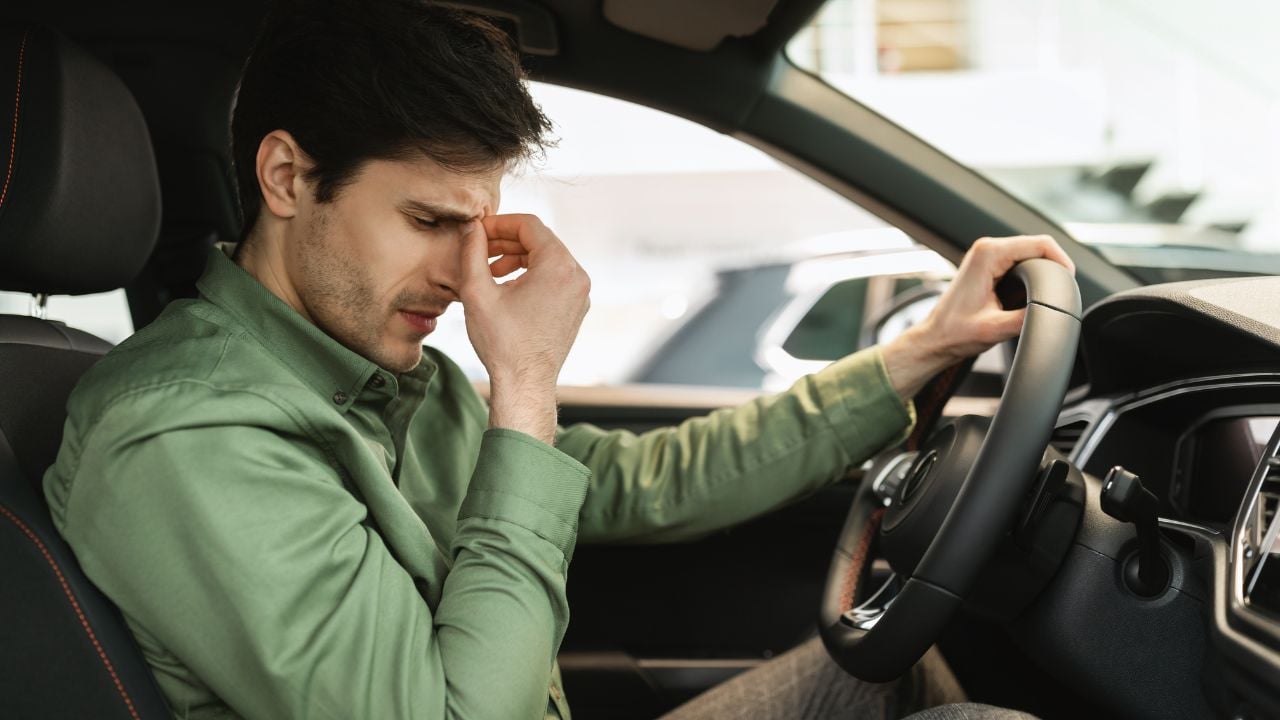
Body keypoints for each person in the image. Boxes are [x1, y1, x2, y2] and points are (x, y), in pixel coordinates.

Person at [42, 2, 1072, 718]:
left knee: (885, 669)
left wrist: (912, 357)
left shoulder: (377, 372)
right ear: (285, 176)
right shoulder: (188, 437)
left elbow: (622, 482)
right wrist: (522, 390)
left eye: (478, 224)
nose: (463, 273)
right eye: (425, 219)